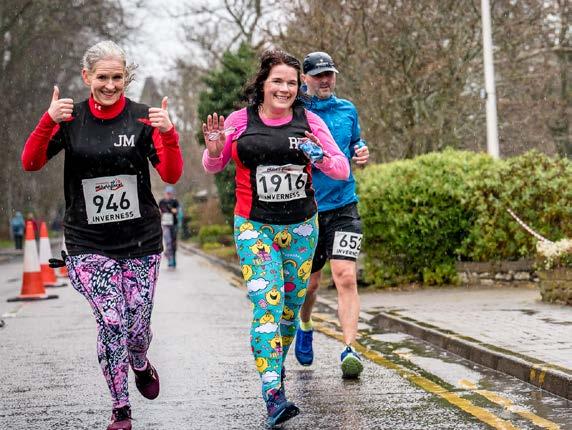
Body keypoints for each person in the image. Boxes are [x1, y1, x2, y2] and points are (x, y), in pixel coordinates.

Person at [21, 40, 183, 430]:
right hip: (88, 243)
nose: (110, 85)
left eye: (117, 78)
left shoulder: (144, 118)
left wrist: (169, 133)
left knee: (137, 327)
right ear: (87, 77)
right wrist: (47, 120)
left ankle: (140, 361)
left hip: (140, 241)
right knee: (112, 321)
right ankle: (120, 408)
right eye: (102, 77)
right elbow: (30, 162)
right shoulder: (69, 118)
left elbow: (172, 174)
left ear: (125, 78)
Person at [202, 49, 350, 427]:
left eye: (291, 83)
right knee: (267, 303)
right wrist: (214, 150)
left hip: (301, 228)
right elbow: (214, 164)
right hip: (255, 226)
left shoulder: (310, 121)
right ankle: (273, 394)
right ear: (263, 84)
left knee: (288, 311)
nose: (284, 89)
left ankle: (274, 368)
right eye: (277, 81)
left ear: (299, 87)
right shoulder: (240, 120)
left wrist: (319, 156)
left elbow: (341, 168)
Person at [294, 52, 370, 379]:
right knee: (310, 285)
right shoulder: (296, 111)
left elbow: (355, 143)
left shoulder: (347, 110)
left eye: (330, 74)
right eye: (318, 75)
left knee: (346, 276)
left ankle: (350, 348)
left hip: (344, 207)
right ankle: (305, 323)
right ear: (305, 79)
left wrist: (361, 152)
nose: (325, 80)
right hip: (307, 211)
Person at [158, 185, 180, 267]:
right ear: (165, 193)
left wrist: (171, 209)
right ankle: (170, 258)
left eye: (170, 193)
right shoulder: (161, 202)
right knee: (168, 241)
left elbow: (176, 211)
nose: (168, 195)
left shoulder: (175, 202)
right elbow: (159, 211)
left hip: (174, 224)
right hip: (165, 225)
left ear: (172, 194)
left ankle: (173, 259)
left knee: (173, 242)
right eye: (167, 193)